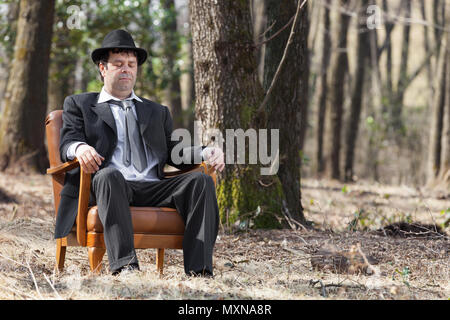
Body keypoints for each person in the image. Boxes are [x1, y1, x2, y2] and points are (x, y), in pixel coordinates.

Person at [54, 29, 224, 277]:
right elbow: (67, 141)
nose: (126, 69)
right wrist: (80, 148)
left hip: (153, 186)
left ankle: (200, 272)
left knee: (201, 181)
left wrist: (205, 151)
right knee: (109, 175)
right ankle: (126, 268)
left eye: (131, 65)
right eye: (118, 64)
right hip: (109, 185)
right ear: (103, 68)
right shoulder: (79, 104)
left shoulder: (156, 111)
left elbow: (172, 153)